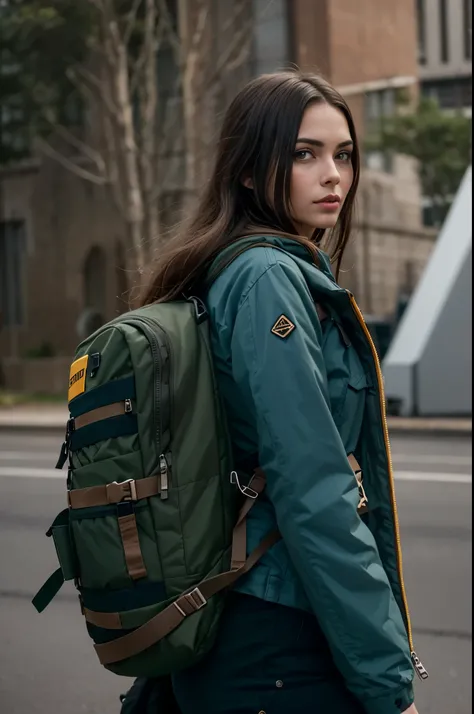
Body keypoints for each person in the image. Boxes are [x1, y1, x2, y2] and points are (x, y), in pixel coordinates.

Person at [140, 71, 422, 714]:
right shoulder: (268, 277)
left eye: (342, 154)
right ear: (247, 170)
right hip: (277, 632)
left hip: (248, 615)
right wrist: (388, 681)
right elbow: (313, 487)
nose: (334, 176)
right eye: (304, 153)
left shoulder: (246, 267)